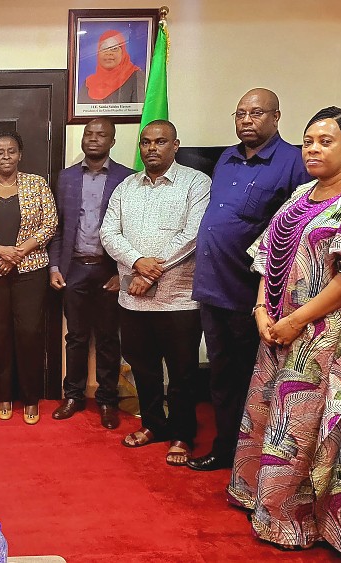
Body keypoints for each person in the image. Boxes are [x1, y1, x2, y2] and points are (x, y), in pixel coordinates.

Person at [227, 107, 341, 559]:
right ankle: (267, 503)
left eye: (326, 141)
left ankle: (304, 522)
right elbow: (269, 254)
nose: (313, 148)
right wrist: (260, 309)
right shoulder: (302, 194)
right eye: (308, 140)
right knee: (281, 421)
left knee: (315, 428)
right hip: (279, 331)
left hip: (333, 339)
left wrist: (295, 320)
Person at [186, 89, 310, 472]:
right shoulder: (227, 158)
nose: (246, 120)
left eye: (256, 113)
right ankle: (226, 451)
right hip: (213, 287)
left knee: (255, 381)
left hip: (252, 294)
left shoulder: (293, 163)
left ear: (276, 117)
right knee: (222, 376)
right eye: (240, 113)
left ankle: (255, 462)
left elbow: (297, 233)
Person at [100, 120, 210, 466]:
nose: (152, 148)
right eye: (146, 142)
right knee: (143, 369)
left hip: (179, 301)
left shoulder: (196, 183)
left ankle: (181, 433)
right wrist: (136, 262)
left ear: (175, 145)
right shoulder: (125, 187)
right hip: (132, 302)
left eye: (160, 142)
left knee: (181, 373)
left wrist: (148, 274)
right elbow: (108, 233)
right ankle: (153, 426)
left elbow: (193, 236)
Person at [49, 118, 132, 429]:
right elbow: (58, 227)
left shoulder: (127, 178)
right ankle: (73, 395)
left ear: (112, 141)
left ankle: (108, 400)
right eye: (89, 134)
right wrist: (55, 266)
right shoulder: (66, 178)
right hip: (74, 270)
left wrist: (122, 273)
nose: (94, 139)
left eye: (102, 135)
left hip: (109, 272)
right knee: (76, 337)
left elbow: (131, 231)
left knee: (109, 339)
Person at [0, 131, 56, 424]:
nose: (6, 157)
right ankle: (3, 394)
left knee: (29, 333)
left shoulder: (37, 184)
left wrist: (17, 253)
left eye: (11, 151)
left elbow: (50, 224)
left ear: (20, 154)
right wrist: (0, 252)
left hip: (31, 271)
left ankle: (31, 398)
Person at [77, 30, 146, 104]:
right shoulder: (88, 83)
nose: (109, 53)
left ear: (123, 52)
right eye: (104, 48)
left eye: (114, 48)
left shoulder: (136, 76)